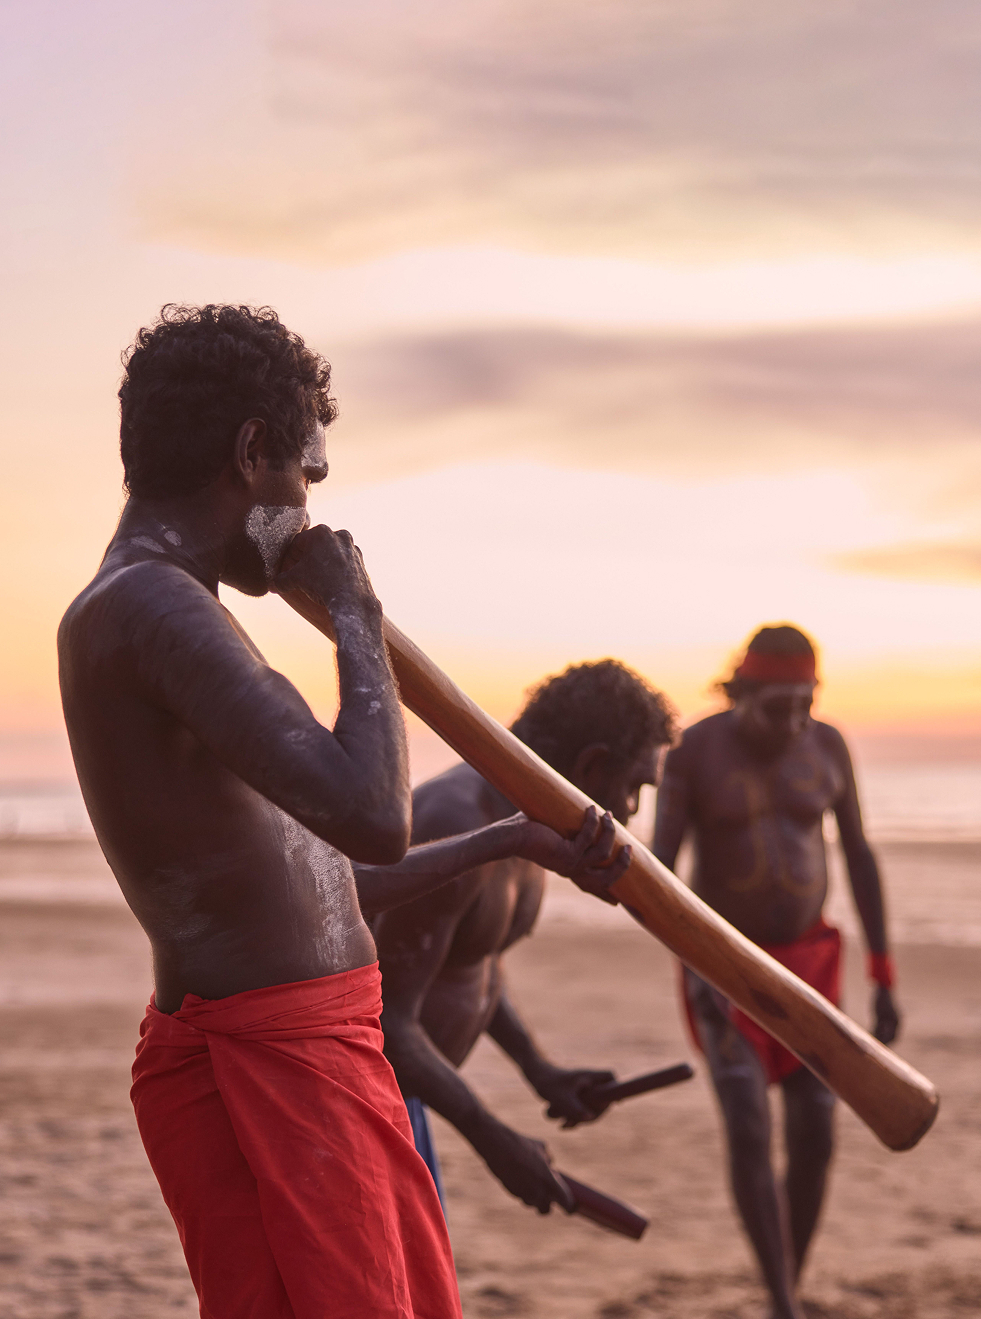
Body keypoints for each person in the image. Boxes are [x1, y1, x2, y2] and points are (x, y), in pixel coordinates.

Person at [57, 304, 615, 1319]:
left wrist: (507, 838)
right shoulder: (150, 607)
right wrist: (355, 615)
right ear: (252, 450)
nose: (306, 514)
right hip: (285, 1062)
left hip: (315, 1051)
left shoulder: (182, 611)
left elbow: (317, 884)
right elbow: (373, 814)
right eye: (306, 478)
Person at [653, 625, 899, 1319]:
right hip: (726, 964)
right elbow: (659, 870)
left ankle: (788, 1277)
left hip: (813, 964)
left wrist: (882, 972)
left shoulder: (826, 745)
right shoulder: (696, 749)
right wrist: (695, 960)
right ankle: (783, 1301)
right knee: (746, 1118)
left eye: (804, 702)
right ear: (744, 693)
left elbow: (856, 853)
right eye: (777, 705)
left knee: (816, 1125)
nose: (793, 720)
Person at [373, 660, 677, 1217]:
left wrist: (538, 1070)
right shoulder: (457, 819)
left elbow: (471, 961)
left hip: (403, 1103)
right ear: (593, 765)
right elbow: (385, 1020)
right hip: (359, 1109)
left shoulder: (532, 829)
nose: (632, 809)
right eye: (635, 786)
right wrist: (491, 1137)